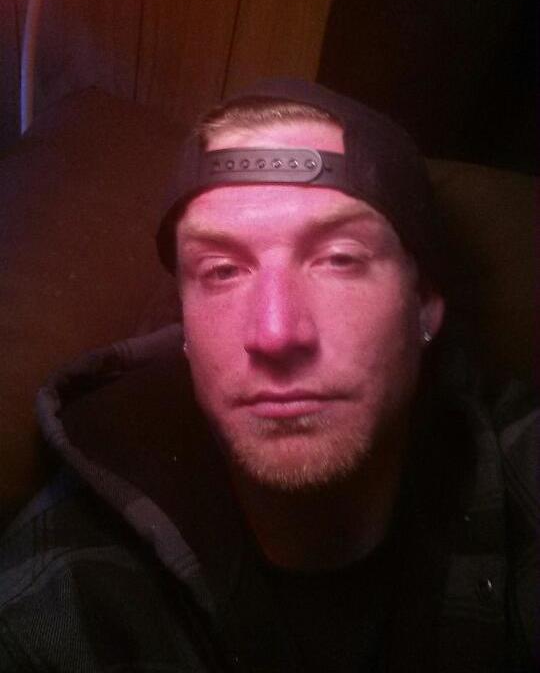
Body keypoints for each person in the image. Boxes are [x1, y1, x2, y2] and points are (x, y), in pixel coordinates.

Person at [0, 79, 537, 672]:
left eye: (340, 259)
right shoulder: (56, 593)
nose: (276, 334)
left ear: (424, 306)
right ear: (184, 324)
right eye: (222, 270)